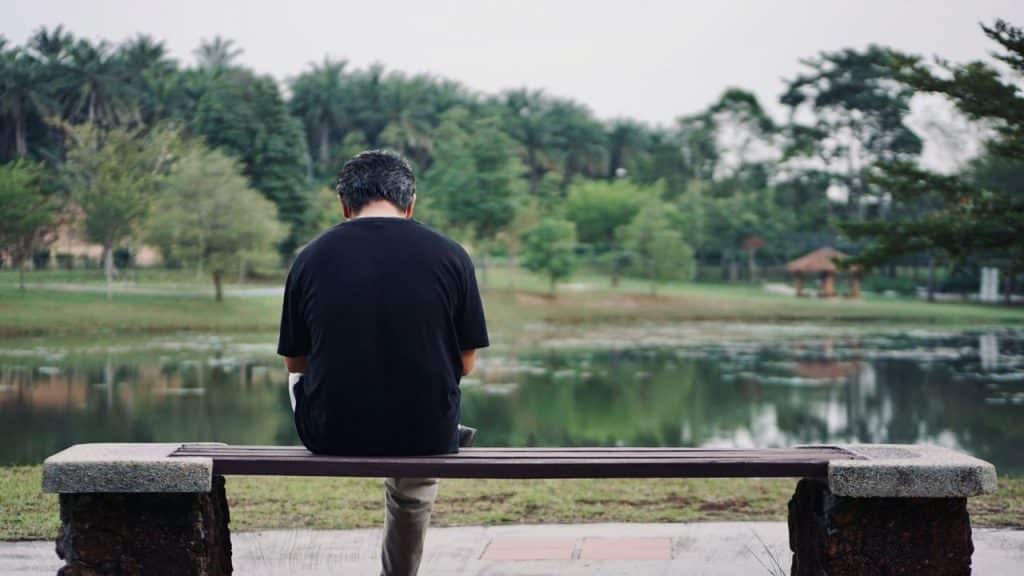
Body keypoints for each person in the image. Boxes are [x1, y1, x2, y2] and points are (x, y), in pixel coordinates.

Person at [277, 150, 489, 576]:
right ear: (410, 203)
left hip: (332, 432)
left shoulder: (310, 257)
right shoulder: (452, 256)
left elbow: (296, 364)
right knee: (418, 470)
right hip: (424, 432)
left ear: (343, 204)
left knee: (304, 379)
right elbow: (466, 365)